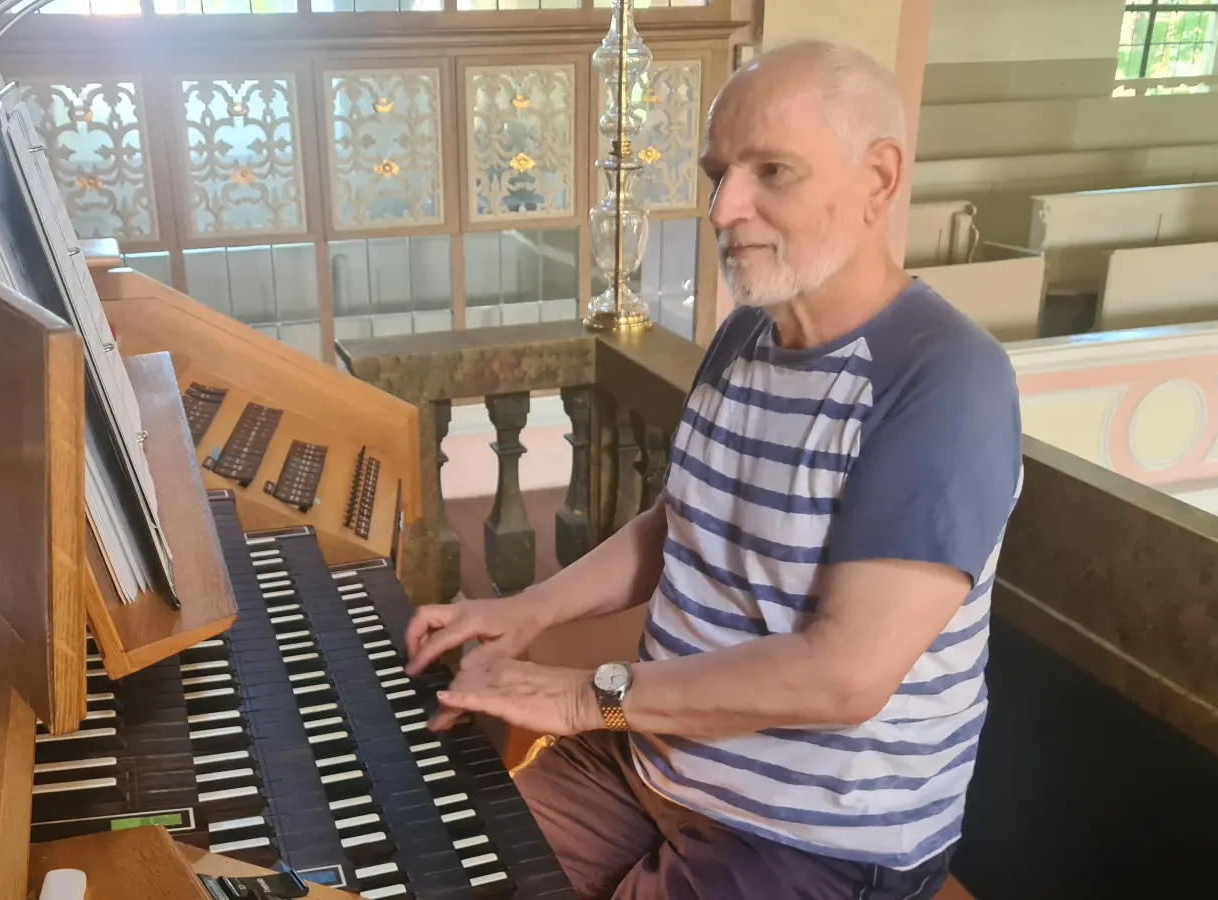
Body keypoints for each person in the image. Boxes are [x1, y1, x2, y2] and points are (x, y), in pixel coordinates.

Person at [404, 39, 1023, 900]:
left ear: (879, 179)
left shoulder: (944, 380)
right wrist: (527, 610)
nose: (725, 207)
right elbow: (681, 525)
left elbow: (845, 675)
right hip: (654, 757)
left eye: (772, 171)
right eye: (717, 174)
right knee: (447, 867)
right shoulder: (746, 335)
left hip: (816, 834)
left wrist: (584, 697)